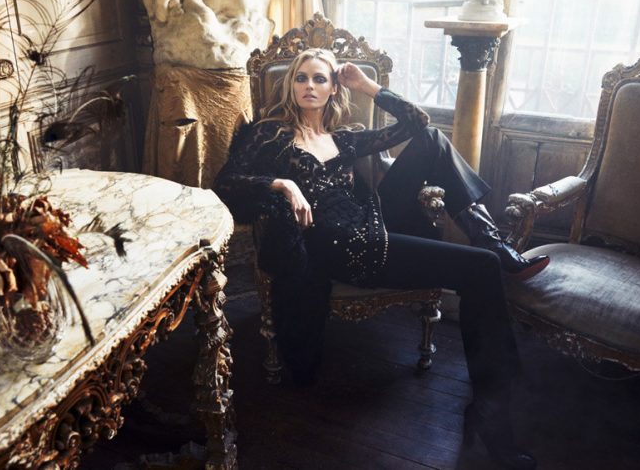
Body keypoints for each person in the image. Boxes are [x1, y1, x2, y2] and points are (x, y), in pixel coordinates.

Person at [214, 48, 548, 469]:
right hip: (334, 243)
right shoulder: (269, 134)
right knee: (481, 268)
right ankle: (492, 416)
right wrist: (282, 184)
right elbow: (227, 183)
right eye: (301, 78)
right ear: (290, 85)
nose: (309, 86)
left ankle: (491, 239)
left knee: (432, 140)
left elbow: (417, 122)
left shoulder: (344, 139)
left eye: (320, 78)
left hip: (368, 221)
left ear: (333, 88)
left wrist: (367, 86)